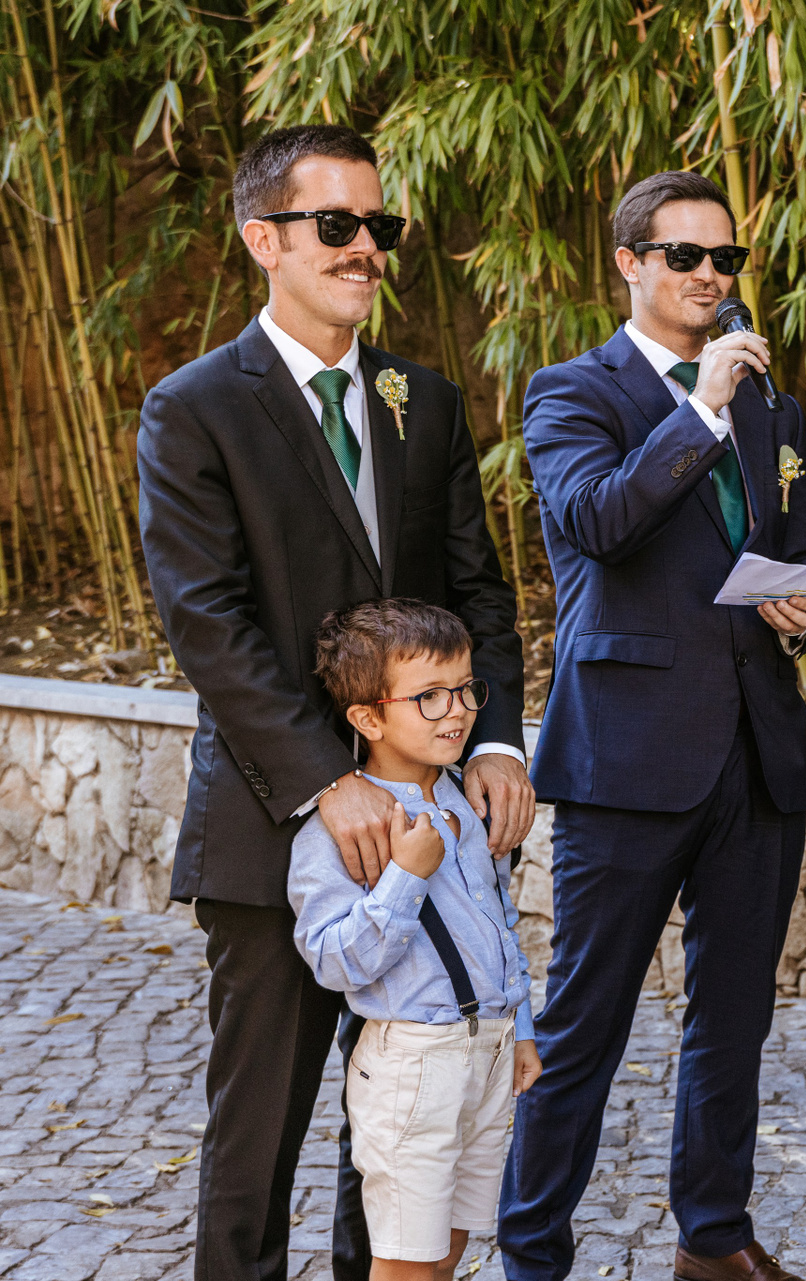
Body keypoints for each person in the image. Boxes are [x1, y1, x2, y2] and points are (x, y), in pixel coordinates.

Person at [138, 124, 534, 1281]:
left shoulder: (426, 400)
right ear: (263, 239)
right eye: (336, 224)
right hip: (274, 827)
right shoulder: (194, 407)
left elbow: (477, 593)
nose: (366, 246)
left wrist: (496, 740)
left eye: (378, 224)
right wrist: (327, 782)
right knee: (256, 1136)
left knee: (406, 1138)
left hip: (432, 830)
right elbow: (207, 621)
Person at [497, 171, 806, 1281]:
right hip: (627, 753)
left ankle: (714, 1240)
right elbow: (597, 522)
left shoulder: (776, 405)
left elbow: (797, 539)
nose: (708, 275)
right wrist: (701, 410)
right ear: (629, 264)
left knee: (734, 1022)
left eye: (725, 258)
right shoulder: (571, 392)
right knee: (584, 1024)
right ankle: (531, 1255)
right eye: (683, 255)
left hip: (757, 750)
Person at [290, 599, 541, 1281]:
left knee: (451, 1247)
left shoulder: (465, 800)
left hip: (486, 1053)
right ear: (368, 718)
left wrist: (519, 1027)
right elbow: (333, 960)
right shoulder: (341, 831)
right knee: (407, 1261)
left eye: (464, 689)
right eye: (429, 696)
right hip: (412, 1065)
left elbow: (498, 923)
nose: (456, 711)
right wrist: (406, 875)